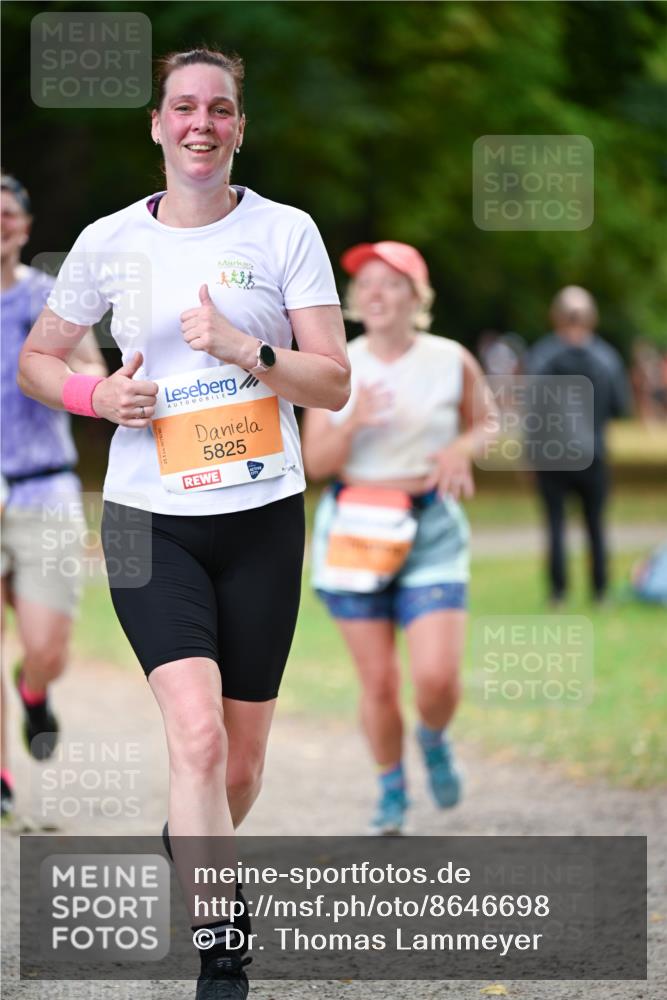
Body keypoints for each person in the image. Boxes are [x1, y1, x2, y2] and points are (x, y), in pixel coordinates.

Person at [18, 49, 350, 1000]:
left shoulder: (286, 231)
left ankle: (192, 840)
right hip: (146, 522)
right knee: (196, 741)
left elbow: (333, 379)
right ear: (157, 126)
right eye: (184, 108)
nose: (201, 123)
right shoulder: (108, 240)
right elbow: (39, 362)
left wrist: (248, 349)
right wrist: (95, 392)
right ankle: (223, 951)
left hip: (260, 519)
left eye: (221, 109)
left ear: (238, 127)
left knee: (237, 769)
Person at [302, 241, 496, 835]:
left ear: (418, 296)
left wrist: (462, 447)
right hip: (358, 527)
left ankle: (433, 738)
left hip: (432, 524)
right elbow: (314, 461)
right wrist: (354, 419)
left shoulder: (450, 358)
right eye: (365, 283)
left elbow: (487, 421)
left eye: (390, 282)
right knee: (380, 682)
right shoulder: (339, 365)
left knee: (436, 679)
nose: (375, 293)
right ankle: (391, 790)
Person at [1, 173, 106, 819]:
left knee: (47, 647)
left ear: (25, 226)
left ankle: (34, 690)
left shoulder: (49, 297)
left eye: (7, 213)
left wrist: (66, 376)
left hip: (43, 488)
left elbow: (93, 368)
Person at [525, 285, 630, 604]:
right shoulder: (606, 357)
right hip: (593, 454)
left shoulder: (543, 355)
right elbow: (620, 407)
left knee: (555, 526)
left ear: (555, 317)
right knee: (596, 526)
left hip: (551, 456)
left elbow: (532, 410)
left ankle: (558, 593)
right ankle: (600, 592)